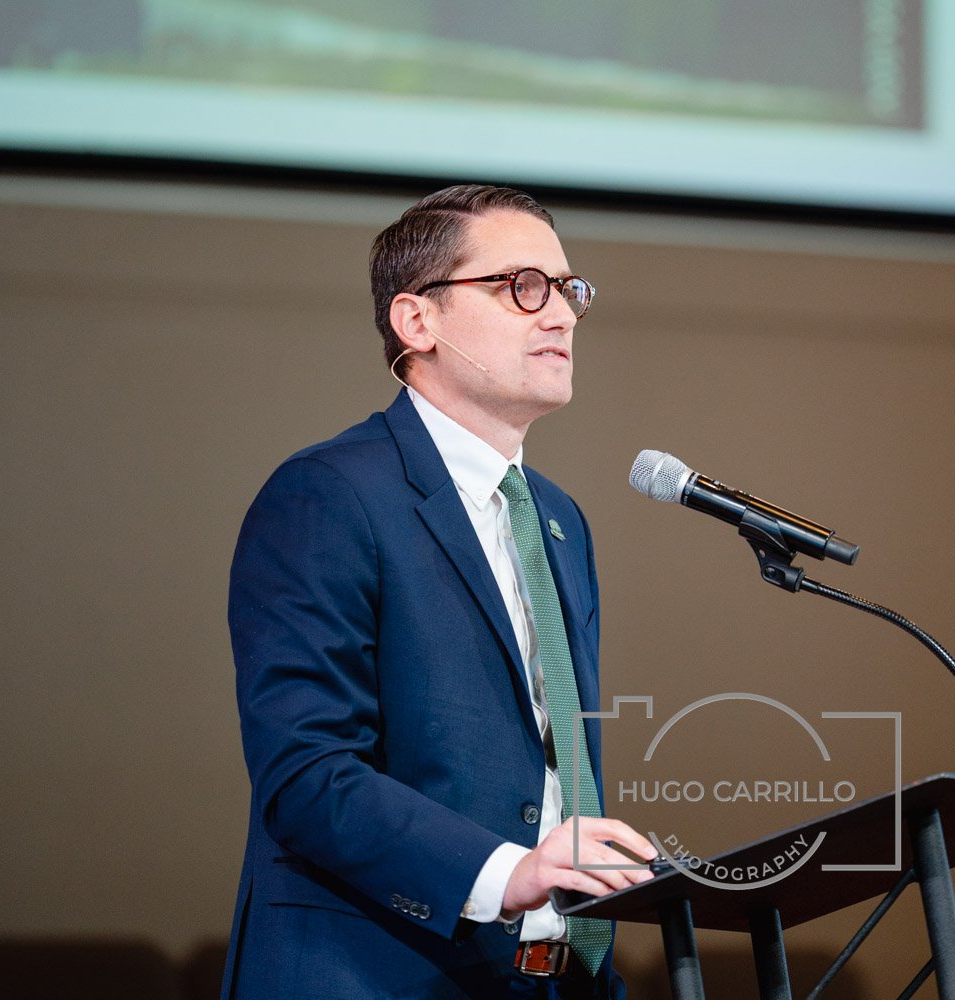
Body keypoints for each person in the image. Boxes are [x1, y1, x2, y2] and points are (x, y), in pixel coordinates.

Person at [220, 184, 656, 999]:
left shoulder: (558, 520)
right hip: (374, 972)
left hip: (541, 978)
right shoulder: (330, 494)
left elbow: (548, 775)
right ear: (416, 320)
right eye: (522, 286)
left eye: (569, 290)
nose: (559, 315)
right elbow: (306, 772)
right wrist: (507, 873)